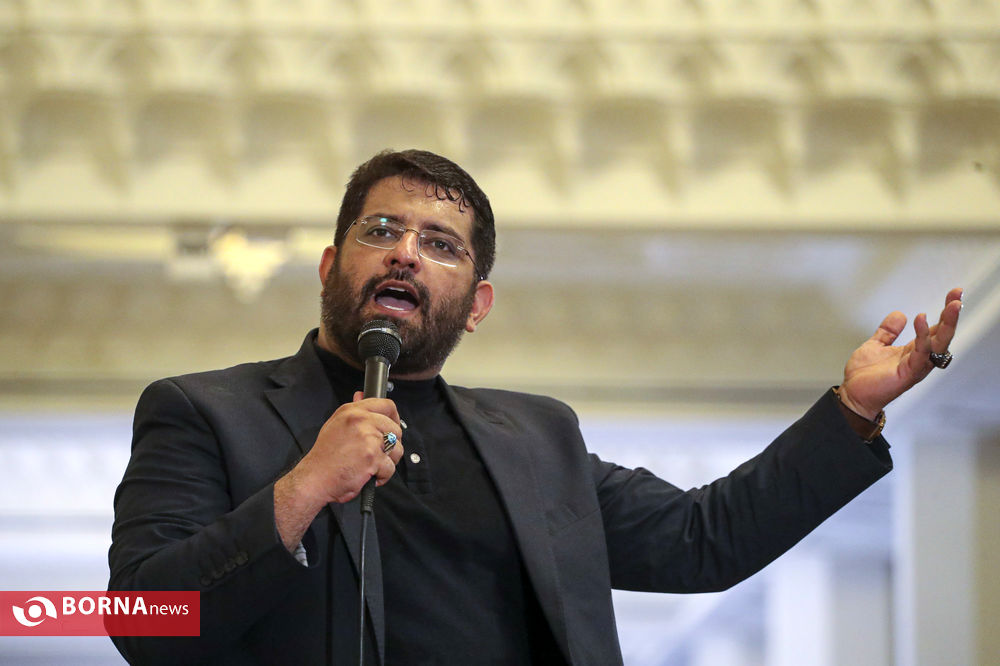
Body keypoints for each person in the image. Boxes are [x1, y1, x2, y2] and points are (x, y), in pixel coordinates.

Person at [108, 149, 962, 666]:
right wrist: (302, 490)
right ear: (331, 266)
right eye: (381, 231)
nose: (406, 254)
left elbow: (704, 539)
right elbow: (144, 621)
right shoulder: (205, 413)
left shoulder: (537, 440)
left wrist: (850, 412)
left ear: (477, 305)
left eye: (440, 245)